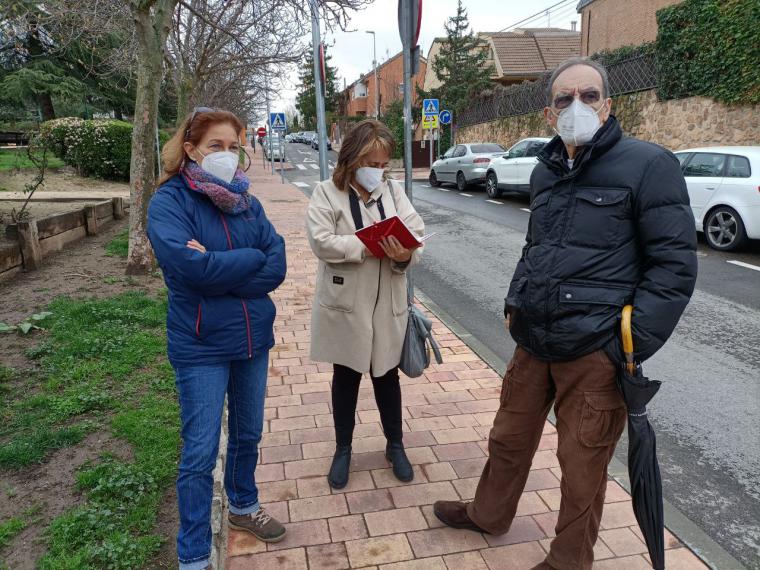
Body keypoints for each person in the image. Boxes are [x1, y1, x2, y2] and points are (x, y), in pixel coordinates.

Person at [433, 57, 698, 569]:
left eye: (588, 95)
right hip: (533, 341)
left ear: (608, 104)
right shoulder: (544, 171)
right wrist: (515, 304)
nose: (576, 106)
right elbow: (534, 248)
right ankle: (488, 514)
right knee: (507, 439)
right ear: (549, 113)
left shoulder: (648, 164)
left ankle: (568, 561)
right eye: (564, 98)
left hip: (594, 352)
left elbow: (674, 268)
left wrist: (626, 344)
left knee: (582, 467)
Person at [147, 107, 288, 570]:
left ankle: (244, 506)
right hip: (201, 345)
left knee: (248, 434)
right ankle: (192, 554)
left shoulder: (248, 201)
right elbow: (189, 270)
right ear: (190, 149)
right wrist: (248, 261)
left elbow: (277, 263)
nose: (226, 155)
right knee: (200, 451)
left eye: (233, 146)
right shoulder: (169, 202)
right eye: (215, 146)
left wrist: (222, 264)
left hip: (251, 339)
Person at [306, 119, 425, 489]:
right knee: (346, 377)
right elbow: (321, 242)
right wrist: (365, 245)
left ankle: (395, 444)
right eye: (371, 163)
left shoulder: (393, 192)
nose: (378, 171)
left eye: (383, 163)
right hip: (346, 303)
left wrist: (404, 253)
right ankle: (343, 449)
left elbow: (416, 233)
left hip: (387, 302)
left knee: (387, 376)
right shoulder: (327, 192)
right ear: (352, 159)